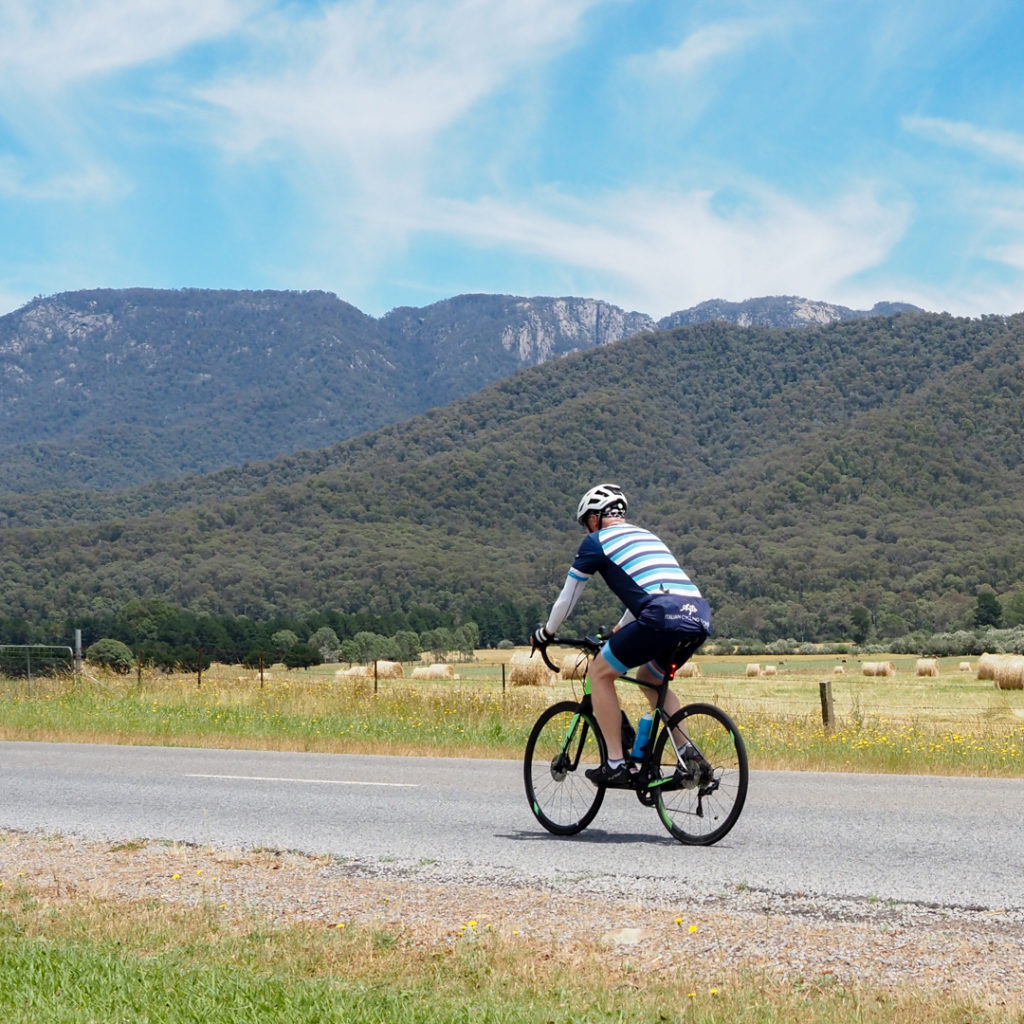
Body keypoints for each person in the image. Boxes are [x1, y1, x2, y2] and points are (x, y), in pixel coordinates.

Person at [531, 483, 711, 787]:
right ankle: (688, 755)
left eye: (586, 523)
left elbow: (567, 598)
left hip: (659, 616)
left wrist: (546, 633)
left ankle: (616, 762)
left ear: (595, 517)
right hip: (698, 615)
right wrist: (618, 630)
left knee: (600, 672)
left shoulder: (597, 542)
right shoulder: (647, 536)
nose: (587, 530)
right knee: (650, 679)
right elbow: (652, 589)